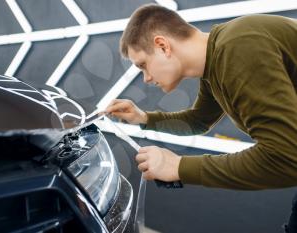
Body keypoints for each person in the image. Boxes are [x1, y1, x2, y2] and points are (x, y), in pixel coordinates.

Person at [104, 4, 297, 232]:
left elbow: (286, 156)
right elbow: (198, 121)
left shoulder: (238, 47)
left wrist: (179, 166)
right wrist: (143, 118)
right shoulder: (217, 60)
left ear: (162, 45)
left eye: (143, 65)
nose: (146, 78)